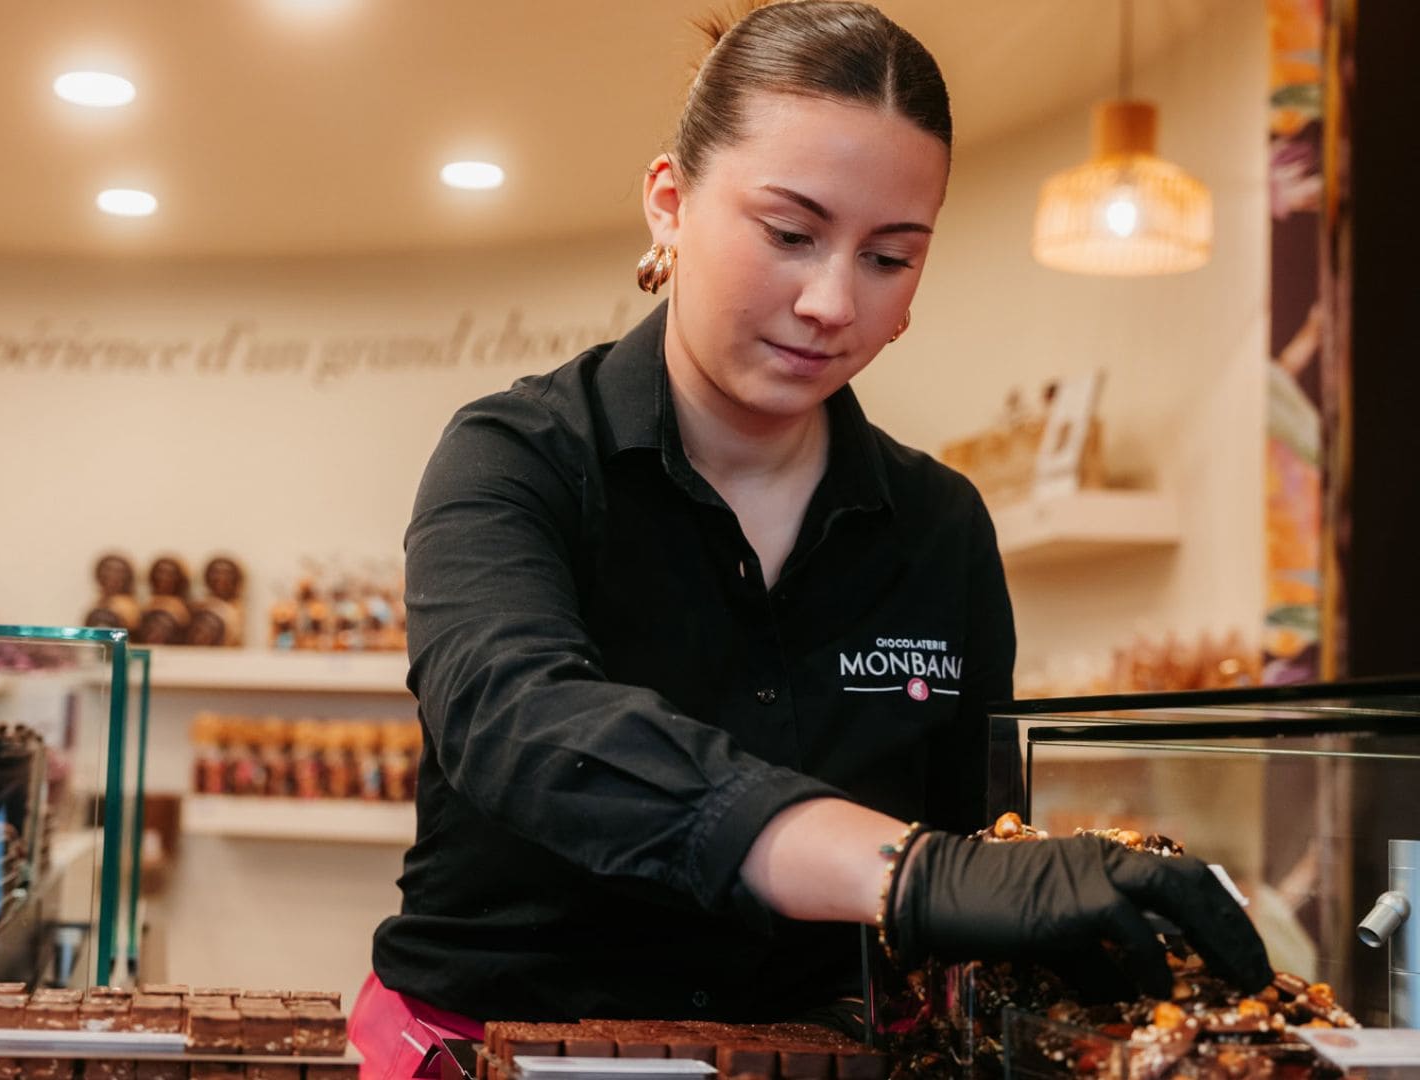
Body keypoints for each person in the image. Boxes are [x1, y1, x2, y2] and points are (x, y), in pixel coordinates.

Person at [351, 3, 1272, 1077]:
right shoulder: (517, 458)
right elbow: (518, 716)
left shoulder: (940, 530)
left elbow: (980, 849)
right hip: (493, 1047)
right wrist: (910, 874)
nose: (832, 301)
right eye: (790, 234)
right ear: (670, 206)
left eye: (889, 255)